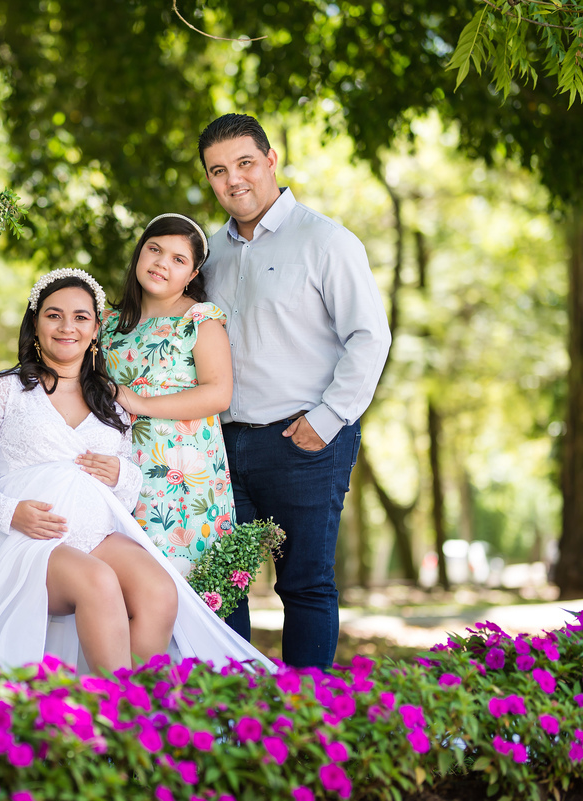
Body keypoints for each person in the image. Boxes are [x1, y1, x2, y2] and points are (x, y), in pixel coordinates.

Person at [0, 268, 272, 675]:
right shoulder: (4, 391)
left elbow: (128, 490)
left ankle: (134, 708)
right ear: (36, 323)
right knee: (98, 583)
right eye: (54, 315)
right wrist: (9, 513)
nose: (67, 327)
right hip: (31, 541)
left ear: (96, 329)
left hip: (97, 534)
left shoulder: (110, 402)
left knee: (160, 592)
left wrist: (119, 475)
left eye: (81, 317)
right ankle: (120, 719)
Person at [197, 113, 391, 670]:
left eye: (244, 163)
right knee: (220, 586)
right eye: (218, 171)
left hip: (303, 442)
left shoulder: (325, 240)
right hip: (222, 447)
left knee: (304, 585)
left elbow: (369, 335)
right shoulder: (210, 254)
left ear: (271, 159)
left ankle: (303, 722)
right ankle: (231, 718)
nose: (234, 180)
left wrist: (328, 419)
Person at [101, 213, 235, 576]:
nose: (162, 263)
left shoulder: (199, 320)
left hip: (181, 472)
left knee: (178, 586)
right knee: (120, 587)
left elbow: (219, 393)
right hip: (118, 468)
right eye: (155, 250)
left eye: (178, 259)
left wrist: (140, 403)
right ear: (139, 253)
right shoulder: (107, 322)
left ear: (192, 275)